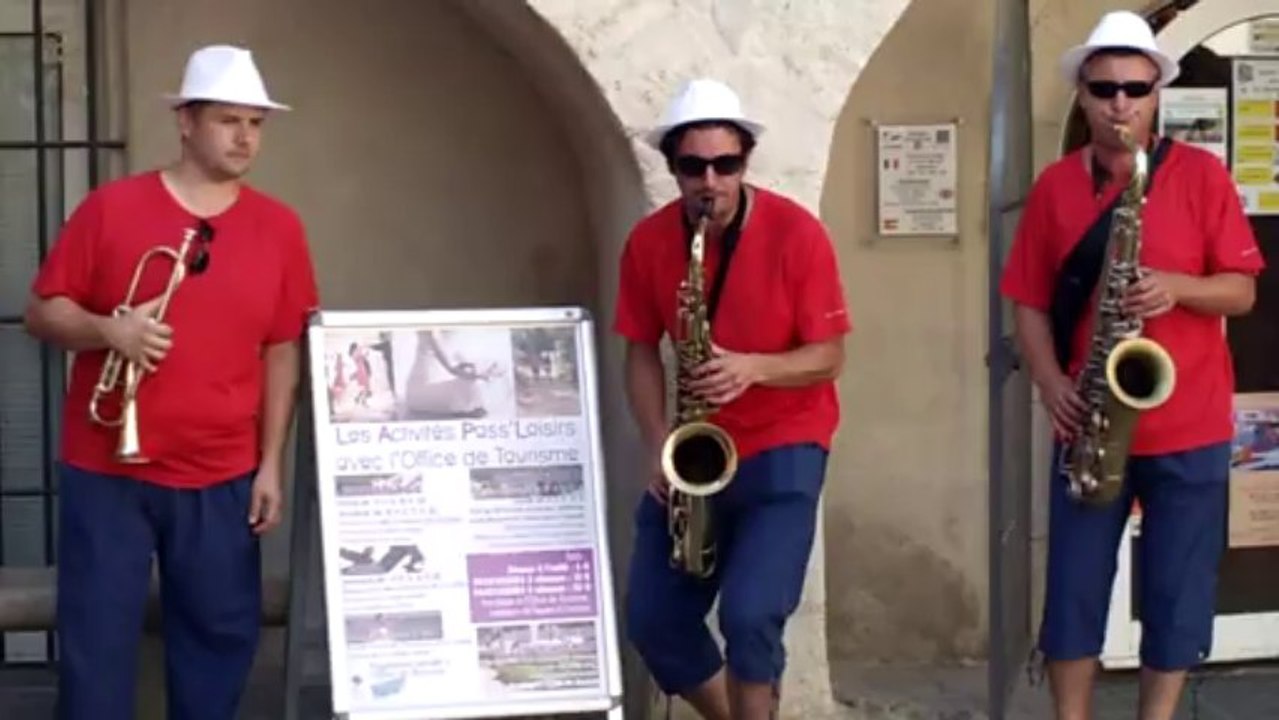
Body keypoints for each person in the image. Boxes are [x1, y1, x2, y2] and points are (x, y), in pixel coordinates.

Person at [23, 45, 318, 720]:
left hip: (223, 473)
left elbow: (281, 349)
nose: (245, 137)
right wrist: (110, 331)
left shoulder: (279, 228)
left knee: (219, 643)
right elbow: (42, 313)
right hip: (107, 472)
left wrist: (270, 463)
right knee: (96, 643)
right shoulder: (110, 209)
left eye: (256, 123)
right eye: (228, 120)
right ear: (185, 122)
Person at [1000, 11, 1263, 720]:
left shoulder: (1202, 176)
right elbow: (1027, 301)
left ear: (1155, 95)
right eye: (1104, 89)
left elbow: (1241, 291)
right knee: (1073, 593)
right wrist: (1050, 383)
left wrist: (1176, 287)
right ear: (1083, 97)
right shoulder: (1055, 187)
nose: (1120, 104)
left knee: (1178, 595)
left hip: (1190, 427)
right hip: (1089, 421)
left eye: (1135, 89)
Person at [613, 78, 851, 720]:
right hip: (692, 455)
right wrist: (657, 442)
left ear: (746, 162)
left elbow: (830, 355)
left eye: (726, 164)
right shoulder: (650, 242)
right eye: (694, 167)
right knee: (654, 619)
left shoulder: (797, 233)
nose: (710, 182)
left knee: (751, 616)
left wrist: (753, 369)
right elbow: (640, 350)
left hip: (784, 446)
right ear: (673, 169)